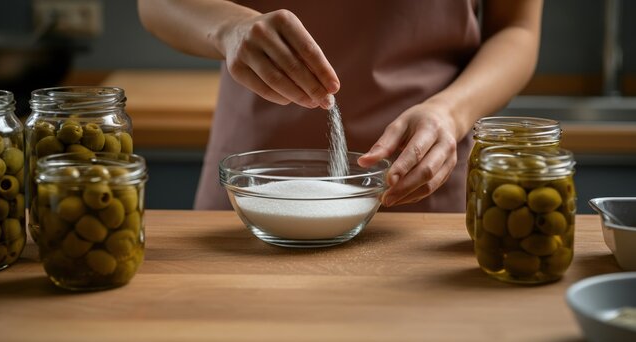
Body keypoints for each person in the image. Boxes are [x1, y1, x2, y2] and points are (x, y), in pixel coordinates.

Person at [138, 0, 543, 211]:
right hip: (256, 186)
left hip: (420, 175)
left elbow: (517, 28)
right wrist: (229, 28)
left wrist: (450, 113)